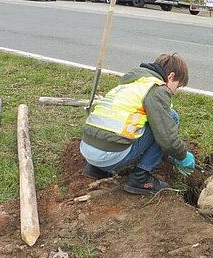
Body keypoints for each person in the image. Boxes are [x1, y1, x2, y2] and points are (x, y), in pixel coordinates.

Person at [80, 53, 196, 195]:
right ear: (171, 76)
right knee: (171, 117)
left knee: (150, 121)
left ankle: (96, 169)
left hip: (88, 150)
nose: (175, 92)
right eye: (177, 86)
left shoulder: (131, 84)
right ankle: (140, 178)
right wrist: (183, 156)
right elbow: (166, 137)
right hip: (110, 156)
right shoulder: (157, 89)